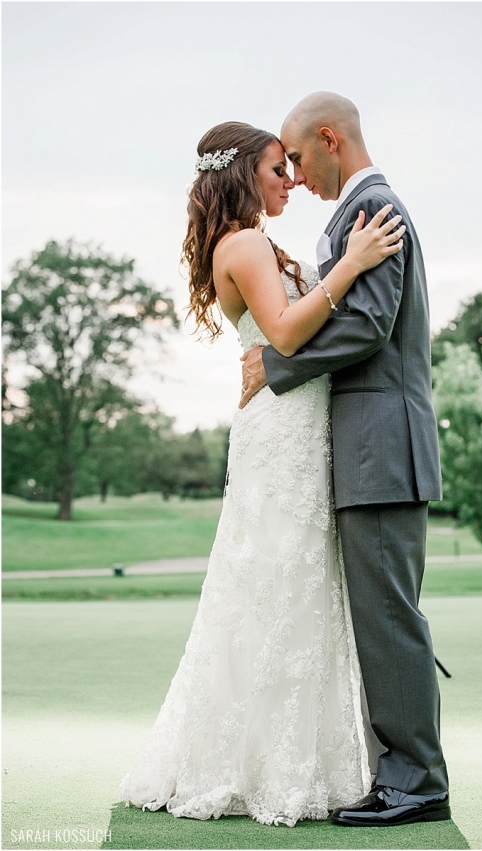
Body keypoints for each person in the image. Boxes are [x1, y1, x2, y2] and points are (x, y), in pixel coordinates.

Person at [119, 120, 405, 827]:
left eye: (291, 166)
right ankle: (245, 765)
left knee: (300, 586)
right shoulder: (242, 244)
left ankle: (301, 758)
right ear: (244, 171)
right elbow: (282, 332)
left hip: (304, 428)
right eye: (278, 169)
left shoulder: (260, 242)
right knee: (268, 583)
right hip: (279, 431)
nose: (291, 180)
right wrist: (353, 261)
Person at [239, 92, 451, 827]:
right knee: (382, 614)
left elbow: (367, 323)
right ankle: (403, 771)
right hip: (372, 449)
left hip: (382, 449)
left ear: (331, 138)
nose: (295, 176)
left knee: (389, 618)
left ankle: (417, 782)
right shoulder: (357, 213)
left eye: (298, 157)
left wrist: (277, 364)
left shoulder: (371, 209)